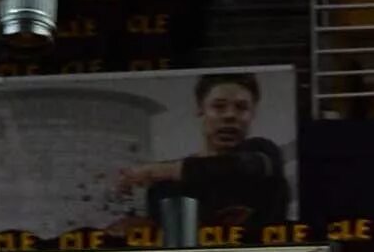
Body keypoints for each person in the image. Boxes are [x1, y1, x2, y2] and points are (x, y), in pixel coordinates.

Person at [117, 73, 292, 231]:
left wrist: (160, 171)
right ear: (201, 108)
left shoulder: (265, 153)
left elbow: (248, 166)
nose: (230, 115)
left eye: (241, 107)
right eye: (219, 106)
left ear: (252, 112)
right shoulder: (166, 186)